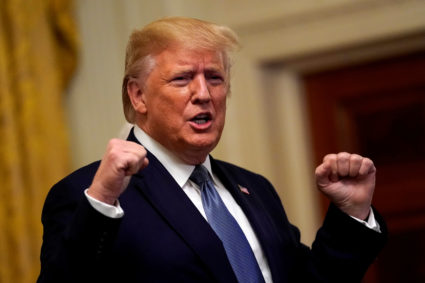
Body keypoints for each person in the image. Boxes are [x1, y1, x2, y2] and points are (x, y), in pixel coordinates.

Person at [37, 17, 387, 283]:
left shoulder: (255, 189)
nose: (203, 93)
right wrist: (100, 201)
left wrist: (352, 214)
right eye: (182, 78)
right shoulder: (91, 196)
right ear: (138, 95)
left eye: (215, 78)